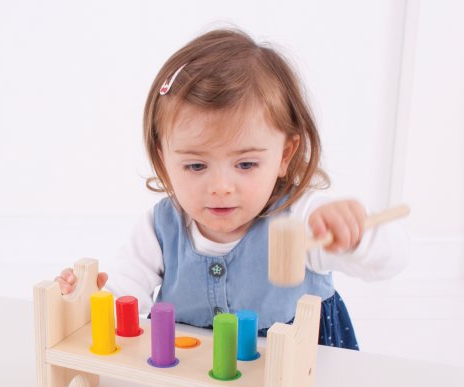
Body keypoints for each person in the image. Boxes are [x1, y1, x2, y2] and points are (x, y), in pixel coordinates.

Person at [56, 28, 409, 350]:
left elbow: (391, 260)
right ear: (164, 159)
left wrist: (355, 234)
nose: (221, 188)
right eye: (196, 166)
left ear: (285, 155)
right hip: (196, 375)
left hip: (296, 370)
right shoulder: (160, 228)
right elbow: (125, 292)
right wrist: (89, 299)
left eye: (246, 164)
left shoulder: (302, 220)